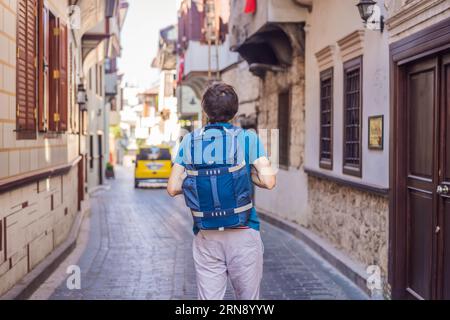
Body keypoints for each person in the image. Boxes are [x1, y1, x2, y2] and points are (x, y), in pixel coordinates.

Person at [167, 82, 276, 300]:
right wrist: (251, 176)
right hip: (243, 231)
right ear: (234, 111)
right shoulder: (247, 138)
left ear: (205, 110)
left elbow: (172, 188)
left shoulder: (189, 141)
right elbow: (269, 181)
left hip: (207, 233)